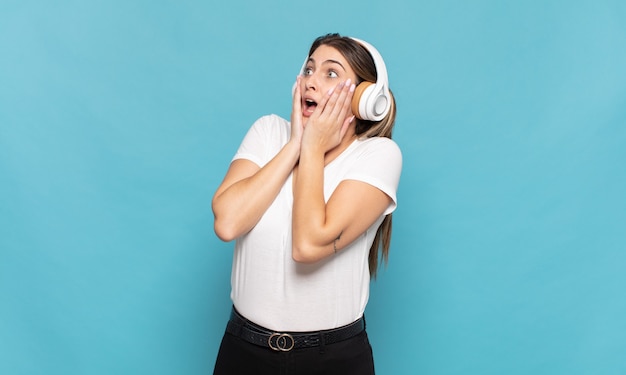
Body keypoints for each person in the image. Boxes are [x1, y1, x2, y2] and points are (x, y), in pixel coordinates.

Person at [211, 33, 402, 375]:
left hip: (333, 359)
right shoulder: (269, 132)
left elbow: (308, 244)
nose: (311, 80)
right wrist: (295, 145)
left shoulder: (377, 155)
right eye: (309, 69)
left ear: (365, 98)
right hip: (244, 351)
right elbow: (227, 223)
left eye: (330, 73)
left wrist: (312, 149)